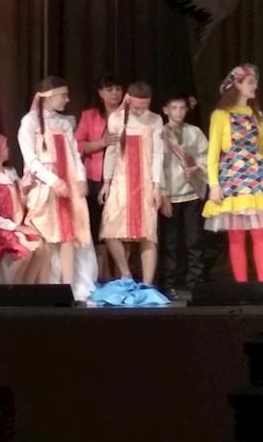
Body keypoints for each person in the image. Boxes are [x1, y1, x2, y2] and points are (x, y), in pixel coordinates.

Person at [202, 64, 263, 282]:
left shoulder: (256, 114)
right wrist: (214, 184)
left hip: (256, 176)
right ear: (236, 85)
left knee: (260, 232)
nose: (254, 86)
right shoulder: (220, 115)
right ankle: (241, 285)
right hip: (233, 177)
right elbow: (213, 153)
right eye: (250, 82)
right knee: (236, 234)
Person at [18, 76, 95, 301]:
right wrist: (53, 181)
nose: (67, 99)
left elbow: (75, 155)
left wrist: (80, 179)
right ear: (49, 96)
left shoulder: (64, 123)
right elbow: (31, 159)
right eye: (63, 95)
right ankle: (46, 288)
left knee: (68, 235)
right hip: (44, 188)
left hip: (67, 185)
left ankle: (68, 288)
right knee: (47, 236)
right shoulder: (30, 122)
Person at [98, 82, 166, 285]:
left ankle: (147, 283)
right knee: (110, 229)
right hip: (121, 181)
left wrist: (157, 186)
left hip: (145, 183)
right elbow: (111, 152)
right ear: (128, 100)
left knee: (148, 234)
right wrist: (106, 182)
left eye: (144, 106)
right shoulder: (116, 119)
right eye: (136, 107)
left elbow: (157, 154)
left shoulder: (155, 119)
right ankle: (125, 273)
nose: (140, 111)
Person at [0, 131, 51, 283]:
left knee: (43, 248)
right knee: (26, 252)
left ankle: (33, 288)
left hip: (17, 223)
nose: (8, 149)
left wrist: (26, 187)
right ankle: (14, 289)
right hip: (3, 227)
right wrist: (18, 228)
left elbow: (18, 199)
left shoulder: (9, 172)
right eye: (4, 146)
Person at [159, 92, 208, 299]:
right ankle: (169, 282)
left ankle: (195, 282)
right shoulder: (159, 133)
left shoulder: (194, 132)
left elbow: (206, 155)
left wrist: (197, 168)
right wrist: (161, 194)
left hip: (191, 193)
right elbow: (155, 165)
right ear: (166, 110)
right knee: (170, 242)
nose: (178, 112)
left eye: (182, 108)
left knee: (194, 239)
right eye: (174, 108)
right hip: (169, 194)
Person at [75, 74, 123, 280]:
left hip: (121, 178)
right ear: (101, 93)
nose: (114, 93)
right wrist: (101, 143)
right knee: (97, 226)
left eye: (118, 89)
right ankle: (103, 272)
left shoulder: (127, 116)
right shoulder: (90, 116)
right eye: (109, 89)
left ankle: (122, 273)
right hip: (94, 178)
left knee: (117, 226)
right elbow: (77, 145)